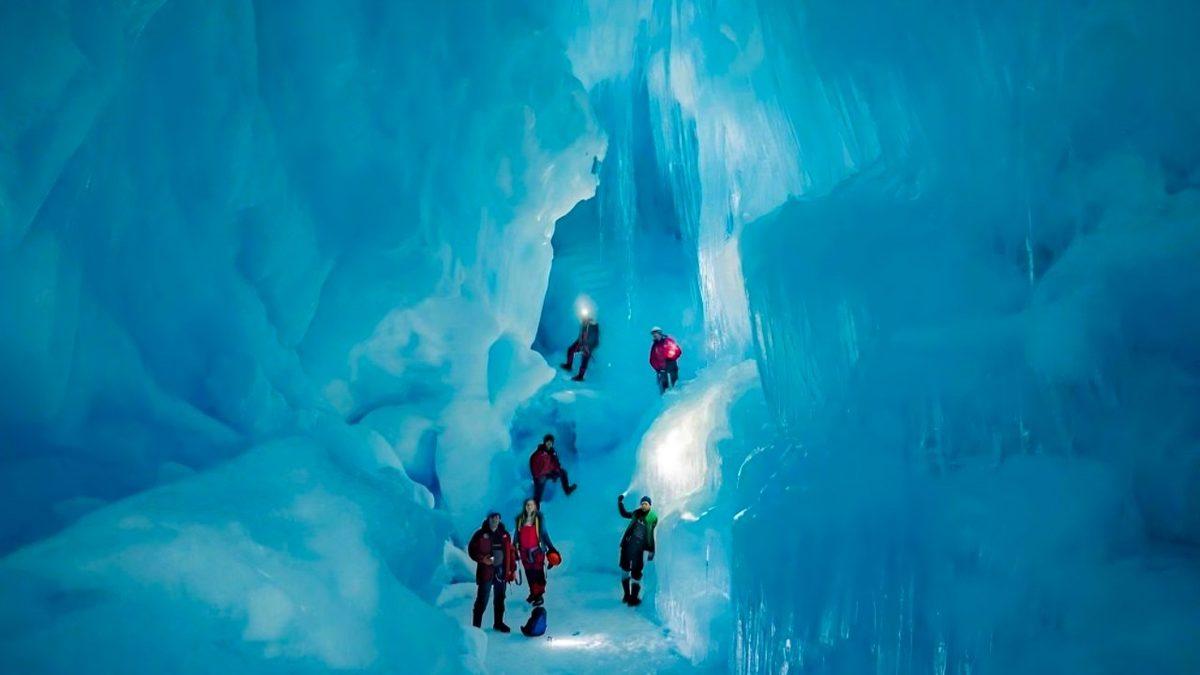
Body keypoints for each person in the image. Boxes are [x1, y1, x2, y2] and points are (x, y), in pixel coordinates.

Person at [468, 511, 516, 632]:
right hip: (486, 572)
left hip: (501, 571)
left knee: (500, 598)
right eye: (492, 518)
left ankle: (498, 623)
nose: (495, 520)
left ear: (500, 519)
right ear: (488, 519)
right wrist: (483, 559)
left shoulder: (504, 534)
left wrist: (512, 569)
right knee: (482, 600)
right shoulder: (480, 534)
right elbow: (472, 550)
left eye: (497, 518)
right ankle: (476, 628)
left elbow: (510, 552)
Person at [514, 498, 558, 607]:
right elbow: (516, 535)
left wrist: (551, 548)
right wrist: (514, 548)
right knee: (529, 573)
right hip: (524, 552)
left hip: (537, 551)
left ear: (535, 507)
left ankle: (539, 595)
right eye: (527, 505)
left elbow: (544, 535)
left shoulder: (539, 520)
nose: (529, 507)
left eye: (531, 505)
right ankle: (533, 593)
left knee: (538, 573)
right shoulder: (520, 519)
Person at [617, 494, 658, 606]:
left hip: (639, 550)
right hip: (628, 546)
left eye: (646, 504)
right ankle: (626, 595)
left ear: (650, 505)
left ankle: (633, 598)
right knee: (625, 569)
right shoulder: (636, 513)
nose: (644, 506)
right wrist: (620, 503)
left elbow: (650, 536)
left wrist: (651, 550)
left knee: (636, 573)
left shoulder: (652, 518)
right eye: (642, 503)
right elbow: (624, 514)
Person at [529, 434, 577, 502]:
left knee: (563, 472)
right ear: (545, 442)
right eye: (548, 442)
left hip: (549, 472)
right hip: (540, 475)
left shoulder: (552, 452)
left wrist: (557, 471)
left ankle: (567, 490)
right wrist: (537, 477)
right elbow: (533, 465)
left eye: (551, 442)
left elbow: (556, 463)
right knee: (539, 492)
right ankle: (535, 506)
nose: (549, 444)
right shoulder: (538, 454)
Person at [561, 316, 600, 381]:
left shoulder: (594, 326)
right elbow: (582, 333)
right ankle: (568, 365)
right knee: (571, 350)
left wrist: (587, 346)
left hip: (589, 345)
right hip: (581, 342)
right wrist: (581, 342)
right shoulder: (584, 323)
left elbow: (594, 339)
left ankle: (580, 376)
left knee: (585, 358)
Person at [649, 327, 682, 393]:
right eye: (653, 334)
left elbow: (678, 351)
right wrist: (657, 368)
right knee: (664, 389)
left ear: (660, 333)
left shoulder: (668, 341)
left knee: (674, 385)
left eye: (656, 334)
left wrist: (670, 357)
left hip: (671, 367)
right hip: (662, 371)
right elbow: (652, 359)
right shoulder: (655, 346)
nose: (654, 336)